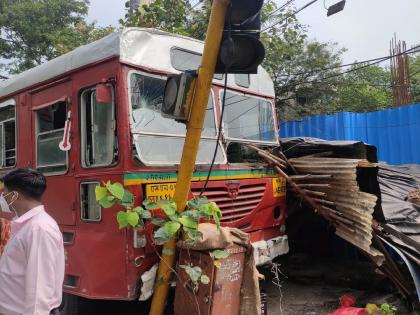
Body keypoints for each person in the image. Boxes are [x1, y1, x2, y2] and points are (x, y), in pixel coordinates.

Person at [0, 169, 64, 315]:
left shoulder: (39, 229)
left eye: (5, 194)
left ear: (14, 196)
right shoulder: (26, 226)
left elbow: (39, 287)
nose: (2, 198)